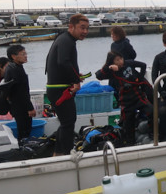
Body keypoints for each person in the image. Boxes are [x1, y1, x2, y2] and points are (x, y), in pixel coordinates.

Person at [46, 13, 90, 156]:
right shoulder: (67, 41)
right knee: (68, 122)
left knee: (66, 122)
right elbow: (63, 62)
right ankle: (64, 155)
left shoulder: (63, 39)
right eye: (82, 28)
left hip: (57, 88)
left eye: (87, 28)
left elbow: (61, 64)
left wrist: (76, 75)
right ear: (71, 26)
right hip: (59, 90)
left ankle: (57, 154)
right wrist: (76, 81)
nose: (85, 32)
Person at [96, 51, 152, 145]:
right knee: (128, 123)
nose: (120, 61)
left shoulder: (128, 63)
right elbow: (99, 76)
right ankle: (130, 143)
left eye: (121, 58)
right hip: (126, 101)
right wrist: (108, 67)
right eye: (117, 60)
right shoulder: (111, 72)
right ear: (112, 62)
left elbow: (143, 65)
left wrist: (140, 77)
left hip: (138, 97)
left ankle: (152, 134)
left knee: (151, 111)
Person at [1, 45, 35, 142]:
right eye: (23, 54)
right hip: (20, 106)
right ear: (13, 56)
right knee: (24, 131)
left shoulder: (13, 67)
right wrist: (30, 108)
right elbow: (22, 92)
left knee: (23, 130)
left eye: (26, 53)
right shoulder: (15, 69)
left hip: (16, 105)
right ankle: (24, 151)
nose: (26, 56)